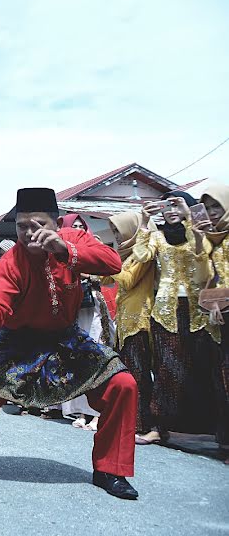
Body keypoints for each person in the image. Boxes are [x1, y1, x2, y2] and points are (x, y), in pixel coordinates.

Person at [0, 187, 139, 501]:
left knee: (123, 384)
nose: (30, 233)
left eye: (39, 225)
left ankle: (110, 470)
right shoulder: (11, 263)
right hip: (18, 343)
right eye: (23, 226)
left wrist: (64, 249)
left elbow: (112, 263)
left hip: (66, 340)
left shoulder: (73, 240)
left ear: (57, 222)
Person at [133, 191, 221, 445]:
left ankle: (214, 430)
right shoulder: (158, 236)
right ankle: (160, 428)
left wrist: (190, 215)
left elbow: (204, 254)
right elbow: (141, 256)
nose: (170, 210)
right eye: (166, 206)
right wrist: (143, 222)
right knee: (167, 369)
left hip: (201, 308)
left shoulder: (200, 230)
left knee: (208, 367)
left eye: (176, 205)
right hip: (166, 310)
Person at [103, 211, 158, 444]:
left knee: (139, 376)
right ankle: (132, 424)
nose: (116, 236)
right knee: (128, 375)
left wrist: (111, 265)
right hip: (125, 322)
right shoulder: (125, 255)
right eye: (114, 232)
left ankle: (146, 425)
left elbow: (127, 280)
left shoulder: (141, 255)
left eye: (119, 231)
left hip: (139, 320)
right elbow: (105, 280)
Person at [58, 214, 112, 430]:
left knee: (96, 356)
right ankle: (81, 411)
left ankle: (98, 414)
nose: (78, 230)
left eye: (82, 226)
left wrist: (89, 276)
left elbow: (109, 271)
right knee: (76, 359)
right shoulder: (59, 252)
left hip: (95, 308)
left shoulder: (94, 245)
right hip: (74, 310)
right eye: (75, 226)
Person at [199, 181, 229, 452]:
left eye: (217, 206)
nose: (212, 212)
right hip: (219, 315)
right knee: (223, 378)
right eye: (208, 208)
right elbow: (206, 277)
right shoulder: (211, 240)